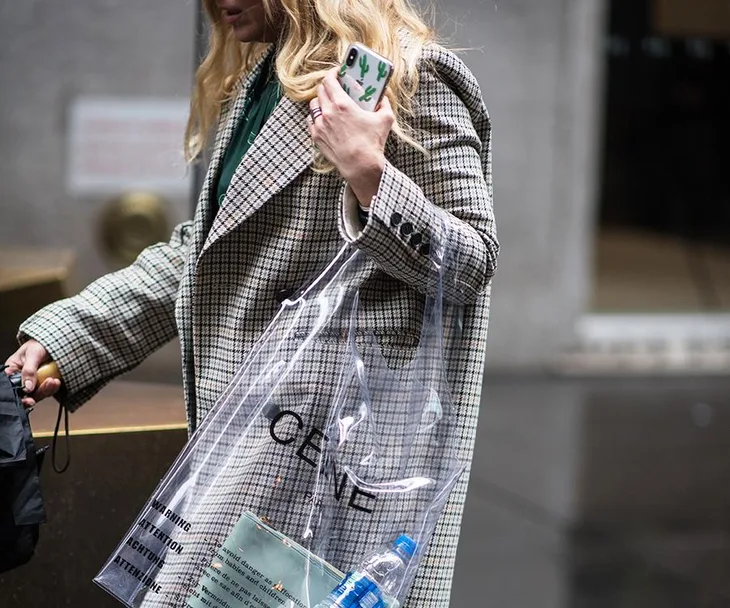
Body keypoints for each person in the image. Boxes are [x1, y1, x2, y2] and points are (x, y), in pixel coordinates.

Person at [5, 0, 498, 605]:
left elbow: (471, 261)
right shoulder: (265, 77)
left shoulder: (415, 76)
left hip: (325, 456)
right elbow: (204, 257)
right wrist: (71, 338)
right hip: (243, 437)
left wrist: (369, 174)